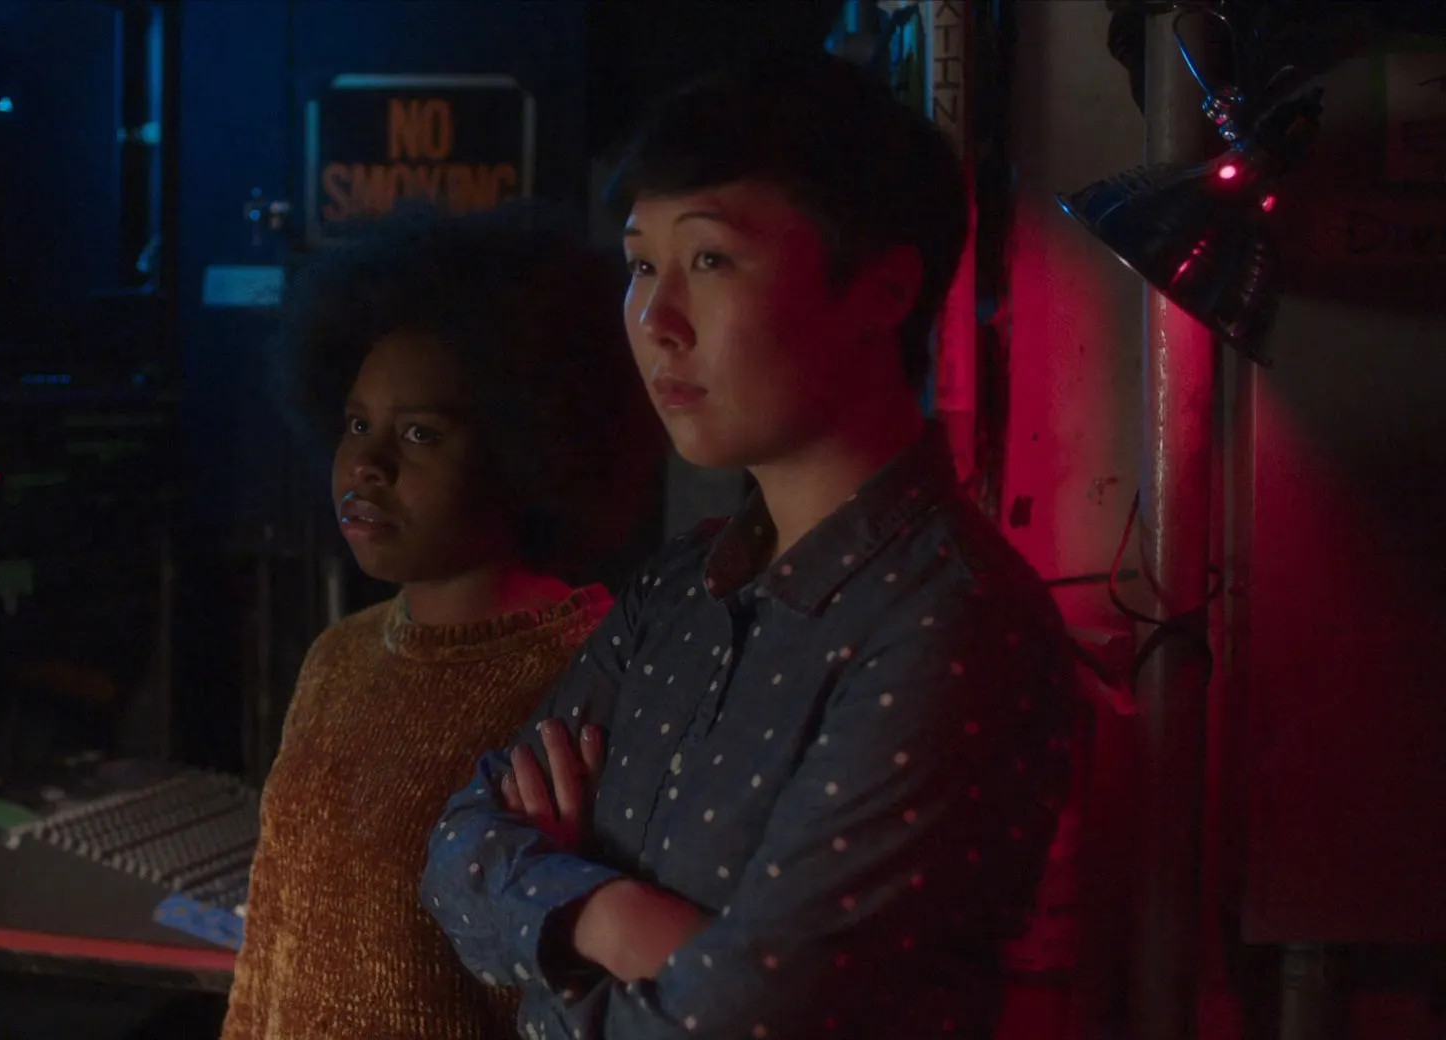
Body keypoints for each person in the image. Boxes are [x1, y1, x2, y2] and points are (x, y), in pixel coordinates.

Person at [421, 53, 1078, 1040]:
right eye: (642, 265)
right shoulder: (679, 589)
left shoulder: (954, 623)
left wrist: (554, 916)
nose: (657, 321)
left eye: (710, 260)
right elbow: (456, 850)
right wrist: (614, 915)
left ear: (883, 290)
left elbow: (746, 1020)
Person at [219, 205, 662, 1040]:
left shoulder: (589, 675)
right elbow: (268, 947)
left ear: (531, 447)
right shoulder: (337, 656)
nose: (366, 464)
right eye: (357, 425)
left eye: (421, 433)